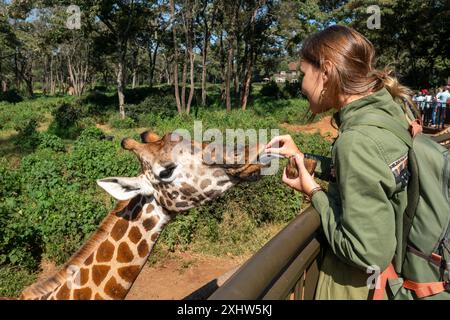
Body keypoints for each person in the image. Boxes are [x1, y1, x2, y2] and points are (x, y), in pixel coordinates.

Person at [265, 25, 418, 300]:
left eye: (303, 73)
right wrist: (305, 159)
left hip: (354, 288)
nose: (301, 84)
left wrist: (314, 192)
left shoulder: (356, 140)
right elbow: (372, 172)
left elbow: (366, 253)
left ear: (324, 71)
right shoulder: (387, 113)